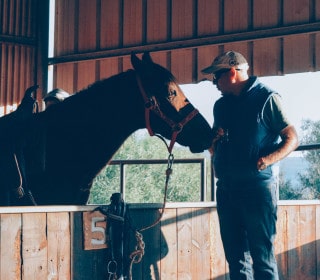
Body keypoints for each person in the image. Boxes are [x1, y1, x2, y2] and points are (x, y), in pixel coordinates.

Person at [201, 51, 299, 279]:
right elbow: (216, 142)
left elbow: (292, 137)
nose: (214, 82)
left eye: (216, 77)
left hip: (257, 191)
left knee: (262, 259)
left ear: (232, 73)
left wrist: (267, 160)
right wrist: (213, 146)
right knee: (236, 260)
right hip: (226, 190)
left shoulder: (267, 98)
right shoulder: (221, 106)